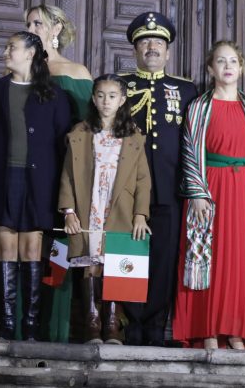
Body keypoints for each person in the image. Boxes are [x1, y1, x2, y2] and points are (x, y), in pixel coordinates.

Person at [173, 41, 245, 349]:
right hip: (211, 188)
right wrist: (197, 193)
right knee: (211, 258)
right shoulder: (199, 107)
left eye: (233, 61)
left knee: (241, 260)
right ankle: (208, 330)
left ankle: (235, 330)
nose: (228, 66)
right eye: (221, 61)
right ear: (211, 69)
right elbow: (189, 152)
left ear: (242, 68)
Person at [0, 31, 72, 340]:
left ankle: (30, 327)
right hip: (3, 179)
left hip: (39, 182)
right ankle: (5, 325)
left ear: (30, 53)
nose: (5, 53)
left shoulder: (53, 94)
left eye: (11, 48)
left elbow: (62, 144)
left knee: (31, 247)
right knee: (6, 246)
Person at [119, 12, 198, 346]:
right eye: (145, 42)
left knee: (164, 261)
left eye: (158, 43)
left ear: (168, 52)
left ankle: (155, 326)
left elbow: (194, 141)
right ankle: (130, 324)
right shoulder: (120, 86)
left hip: (169, 188)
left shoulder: (186, 89)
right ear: (135, 49)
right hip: (127, 190)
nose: (151, 47)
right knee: (127, 256)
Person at [60, 75, 151, 344]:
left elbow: (143, 180)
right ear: (93, 98)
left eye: (112, 96)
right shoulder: (81, 133)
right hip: (91, 205)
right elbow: (67, 175)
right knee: (91, 263)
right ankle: (91, 323)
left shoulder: (133, 136)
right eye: (100, 95)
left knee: (114, 263)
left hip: (119, 207)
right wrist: (69, 211)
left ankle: (112, 324)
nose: (106, 101)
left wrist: (139, 213)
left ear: (122, 100)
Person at [25, 3, 93, 341]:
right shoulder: (22, 71)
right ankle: (21, 328)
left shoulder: (76, 72)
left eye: (38, 23)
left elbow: (88, 129)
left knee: (59, 254)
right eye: (28, 24)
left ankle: (55, 333)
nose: (32, 28)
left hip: (64, 176)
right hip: (28, 175)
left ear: (56, 29)